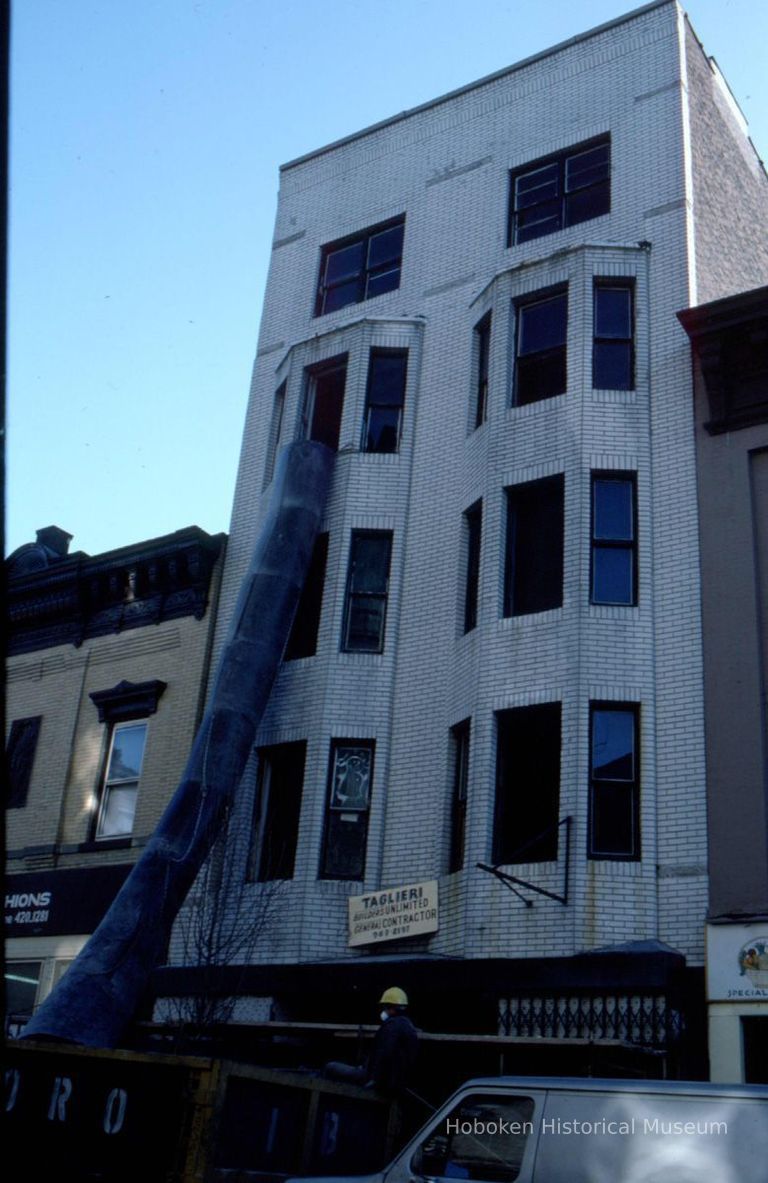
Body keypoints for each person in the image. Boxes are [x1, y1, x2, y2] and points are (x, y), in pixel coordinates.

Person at [325, 987, 418, 1095]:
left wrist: (374, 1080)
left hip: (381, 1082)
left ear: (391, 1008)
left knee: (331, 1067)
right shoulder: (409, 1026)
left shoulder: (392, 1026)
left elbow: (385, 1054)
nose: (383, 1010)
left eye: (384, 1007)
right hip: (396, 1083)